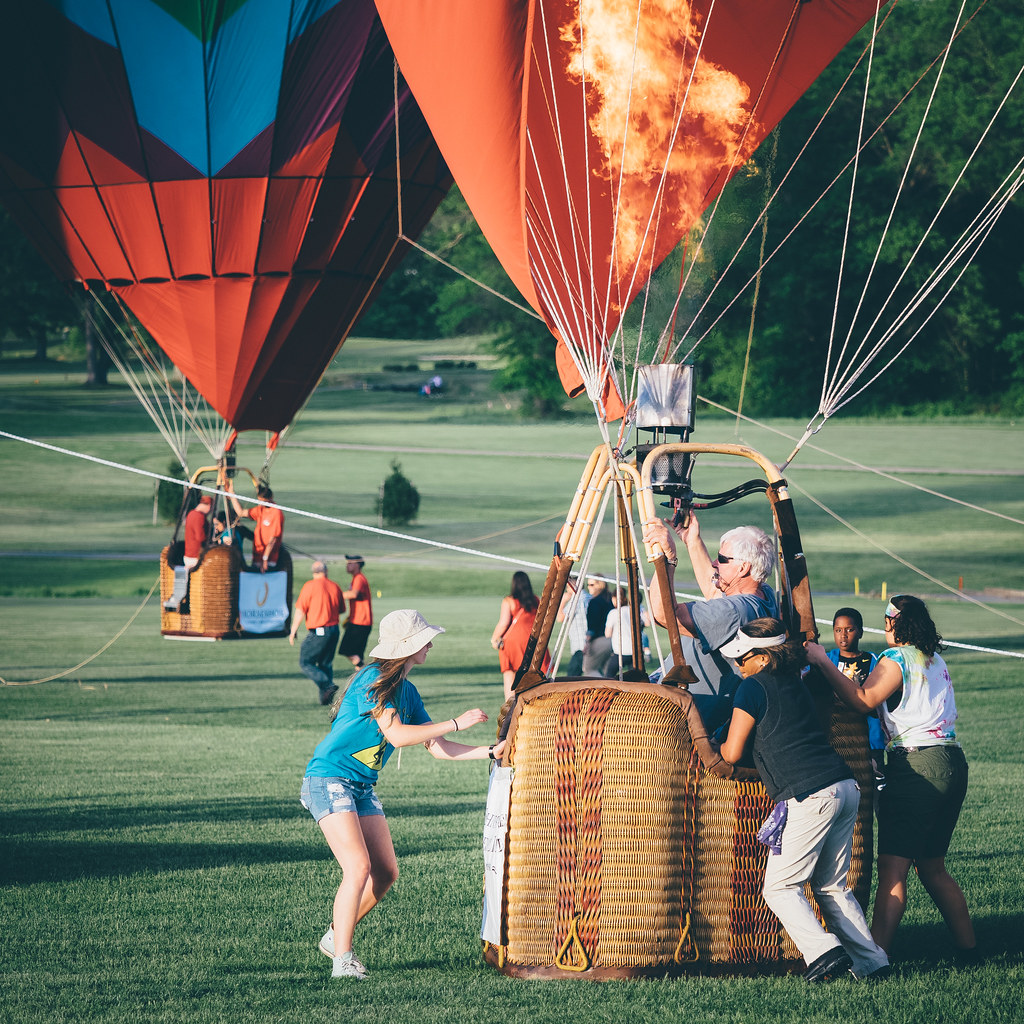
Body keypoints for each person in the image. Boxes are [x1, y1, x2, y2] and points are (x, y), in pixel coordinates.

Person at [301, 609, 504, 980]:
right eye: (425, 640)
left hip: (361, 785)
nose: (430, 646)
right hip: (329, 778)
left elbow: (438, 748)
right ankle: (343, 960)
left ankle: (335, 935)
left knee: (386, 872)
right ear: (408, 647)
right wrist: (456, 721)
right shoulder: (373, 679)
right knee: (358, 867)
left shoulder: (407, 691)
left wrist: (492, 752)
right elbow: (396, 734)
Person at [715, 618, 890, 982]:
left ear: (764, 658)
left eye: (743, 657)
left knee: (780, 887)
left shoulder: (752, 688)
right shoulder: (795, 682)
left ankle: (824, 952)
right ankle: (873, 963)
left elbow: (731, 753)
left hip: (811, 795)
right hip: (844, 786)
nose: (738, 664)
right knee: (831, 887)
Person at [806, 595, 976, 958]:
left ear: (895, 624)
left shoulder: (896, 658)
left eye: (887, 620)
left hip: (916, 767)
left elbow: (863, 699)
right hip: (952, 762)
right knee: (932, 867)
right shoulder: (934, 659)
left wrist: (821, 660)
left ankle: (875, 958)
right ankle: (969, 949)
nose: (884, 627)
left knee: (892, 869)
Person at [643, 513, 778, 730]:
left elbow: (664, 615)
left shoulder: (734, 612)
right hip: (681, 706)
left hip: (674, 719)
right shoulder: (764, 595)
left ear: (743, 568)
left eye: (722, 559)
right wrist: (692, 540)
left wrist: (668, 560)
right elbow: (713, 590)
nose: (715, 563)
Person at [828, 607, 886, 777]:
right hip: (837, 737)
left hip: (870, 739)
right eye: (838, 630)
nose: (843, 635)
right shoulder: (827, 660)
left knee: (872, 783)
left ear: (860, 632)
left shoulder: (874, 661)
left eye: (849, 630)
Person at [289, 561, 346, 705]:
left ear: (313, 572)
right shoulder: (334, 586)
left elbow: (301, 610)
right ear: (326, 571)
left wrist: (293, 629)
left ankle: (327, 685)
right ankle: (326, 699)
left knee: (305, 662)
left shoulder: (309, 586)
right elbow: (342, 609)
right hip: (334, 630)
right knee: (325, 663)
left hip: (319, 630)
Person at [490, 570, 549, 700]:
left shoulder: (509, 601)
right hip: (533, 642)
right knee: (535, 676)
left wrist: (494, 638)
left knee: (510, 676)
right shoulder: (535, 600)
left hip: (513, 643)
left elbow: (503, 623)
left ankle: (511, 705)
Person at [227, 480, 283, 572]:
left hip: (268, 559)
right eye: (259, 501)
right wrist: (232, 495)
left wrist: (265, 559)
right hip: (257, 556)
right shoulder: (261, 509)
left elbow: (273, 539)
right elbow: (241, 513)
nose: (261, 504)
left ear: (270, 498)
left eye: (263, 502)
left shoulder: (276, 513)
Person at [603, 586, 649, 675]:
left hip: (620, 652)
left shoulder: (613, 613)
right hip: (635, 652)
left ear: (615, 598)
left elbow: (607, 634)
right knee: (636, 678)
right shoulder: (634, 611)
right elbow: (647, 623)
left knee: (608, 676)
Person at [338, 556, 373, 670]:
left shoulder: (359, 578)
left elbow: (353, 594)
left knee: (346, 650)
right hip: (359, 621)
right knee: (357, 654)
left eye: (350, 563)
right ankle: (361, 673)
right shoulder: (356, 578)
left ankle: (364, 669)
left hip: (360, 621)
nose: (347, 565)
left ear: (357, 565)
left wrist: (335, 594)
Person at [580, 576, 614, 676]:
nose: (588, 587)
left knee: (589, 669)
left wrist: (587, 642)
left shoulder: (594, 602)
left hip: (599, 640)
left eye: (592, 585)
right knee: (607, 672)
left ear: (600, 585)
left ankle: (601, 686)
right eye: (588, 585)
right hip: (613, 641)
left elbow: (592, 625)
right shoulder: (610, 599)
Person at [556, 577, 589, 676]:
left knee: (571, 676)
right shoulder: (589, 597)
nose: (567, 590)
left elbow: (560, 618)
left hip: (580, 645)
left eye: (567, 587)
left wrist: (563, 601)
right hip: (590, 642)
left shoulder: (576, 600)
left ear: (573, 586)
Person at [182, 493, 212, 571]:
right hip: (196, 557)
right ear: (209, 506)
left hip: (189, 555)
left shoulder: (191, 514)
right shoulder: (199, 517)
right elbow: (200, 537)